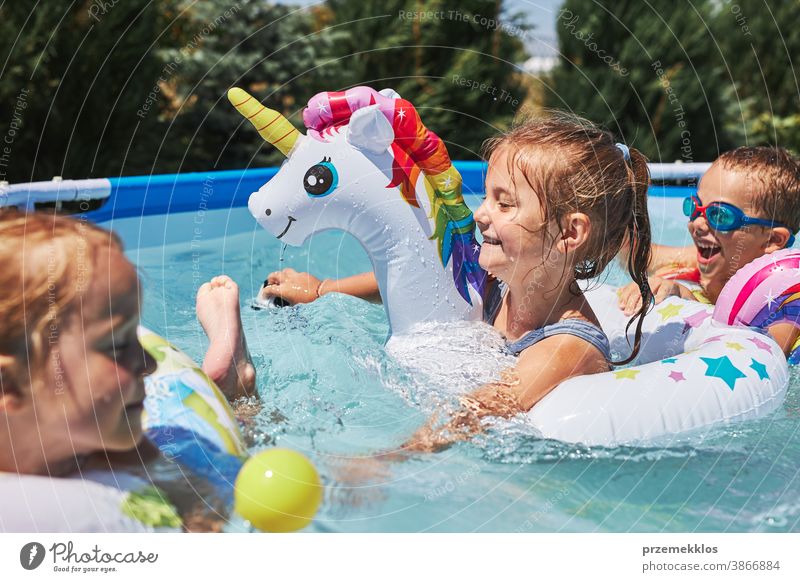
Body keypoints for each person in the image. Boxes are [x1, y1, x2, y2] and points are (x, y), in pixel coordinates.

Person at [265, 113, 653, 452]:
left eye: (505, 203)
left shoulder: (568, 347)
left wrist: (390, 458)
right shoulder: (494, 285)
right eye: (486, 196)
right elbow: (417, 285)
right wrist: (322, 290)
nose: (481, 214)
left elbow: (479, 411)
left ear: (570, 233)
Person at [0, 210, 255, 531]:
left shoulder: (113, 441)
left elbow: (200, 500)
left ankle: (236, 387)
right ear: (9, 383)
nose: (149, 364)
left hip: (164, 420)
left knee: (244, 440)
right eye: (117, 346)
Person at [617, 146, 800, 354]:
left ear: (772, 240)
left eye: (720, 215)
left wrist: (687, 300)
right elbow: (633, 255)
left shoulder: (784, 302)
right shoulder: (694, 261)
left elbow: (753, 358)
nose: (698, 224)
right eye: (695, 208)